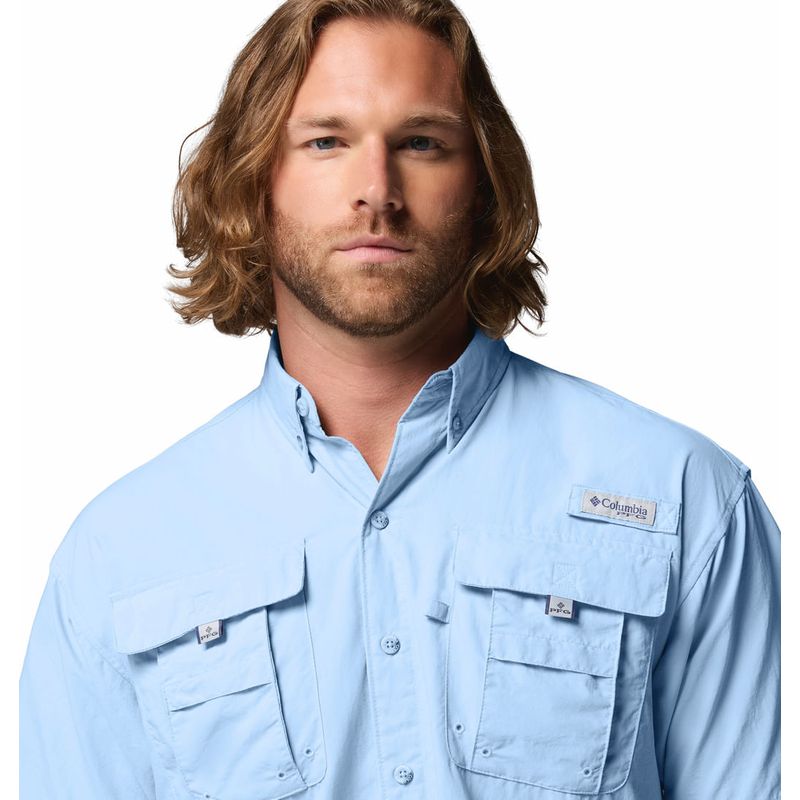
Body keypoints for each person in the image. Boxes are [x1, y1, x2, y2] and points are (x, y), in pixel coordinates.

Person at [19, 0, 780, 798]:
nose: (376, 192)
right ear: (252, 183)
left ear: (484, 184)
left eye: (421, 142)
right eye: (326, 141)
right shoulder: (118, 554)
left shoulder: (686, 498)